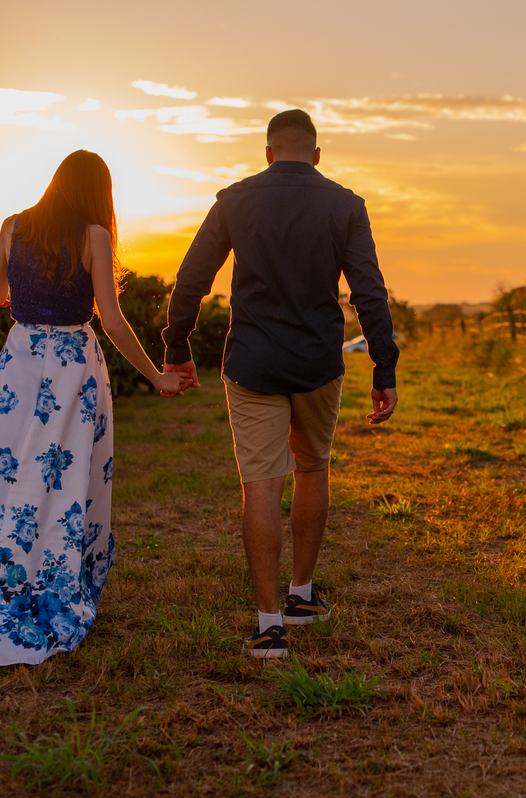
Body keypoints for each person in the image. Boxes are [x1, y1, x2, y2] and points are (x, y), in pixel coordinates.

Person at [0, 150, 187, 667]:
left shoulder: (13, 226)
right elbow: (110, 320)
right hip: (71, 368)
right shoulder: (94, 236)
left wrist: (15, 291)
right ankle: (48, 588)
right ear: (96, 192)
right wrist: (156, 375)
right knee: (61, 484)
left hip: (16, 365)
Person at [161, 109, 399, 659]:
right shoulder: (346, 204)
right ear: (316, 155)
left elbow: (192, 278)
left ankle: (270, 626)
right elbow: (369, 291)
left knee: (262, 484)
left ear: (268, 152)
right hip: (319, 362)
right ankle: (301, 596)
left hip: (252, 363)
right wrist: (382, 367)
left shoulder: (235, 199)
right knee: (313, 468)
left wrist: (177, 349)